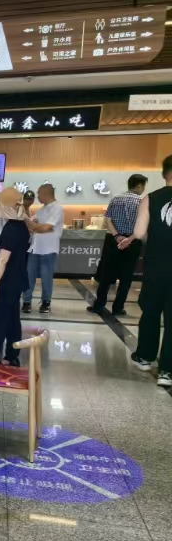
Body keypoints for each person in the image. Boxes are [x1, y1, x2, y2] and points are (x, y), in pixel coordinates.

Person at [119, 157, 172, 387]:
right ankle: (167, 371)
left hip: (156, 265)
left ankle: (145, 357)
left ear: (164, 173)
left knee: (151, 311)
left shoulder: (151, 198)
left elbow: (139, 233)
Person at [0, 189, 31, 366]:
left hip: (7, 282)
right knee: (12, 320)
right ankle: (11, 355)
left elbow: (3, 260)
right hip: (16, 280)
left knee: (0, 321)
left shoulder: (11, 229)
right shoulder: (21, 225)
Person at [88, 174, 147, 316]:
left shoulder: (116, 199)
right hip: (133, 242)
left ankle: (98, 305)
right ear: (139, 185)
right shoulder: (142, 202)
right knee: (126, 277)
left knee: (106, 275)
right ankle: (118, 308)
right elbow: (143, 225)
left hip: (113, 241)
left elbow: (107, 219)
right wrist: (129, 239)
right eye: (143, 186)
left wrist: (117, 236)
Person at [22, 183, 64, 314]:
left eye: (39, 193)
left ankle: (46, 302)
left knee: (46, 277)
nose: (38, 196)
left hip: (48, 249)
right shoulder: (41, 210)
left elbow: (47, 227)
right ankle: (26, 301)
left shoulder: (57, 208)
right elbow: (30, 223)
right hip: (34, 248)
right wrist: (35, 225)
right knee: (29, 276)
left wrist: (36, 227)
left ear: (46, 193)